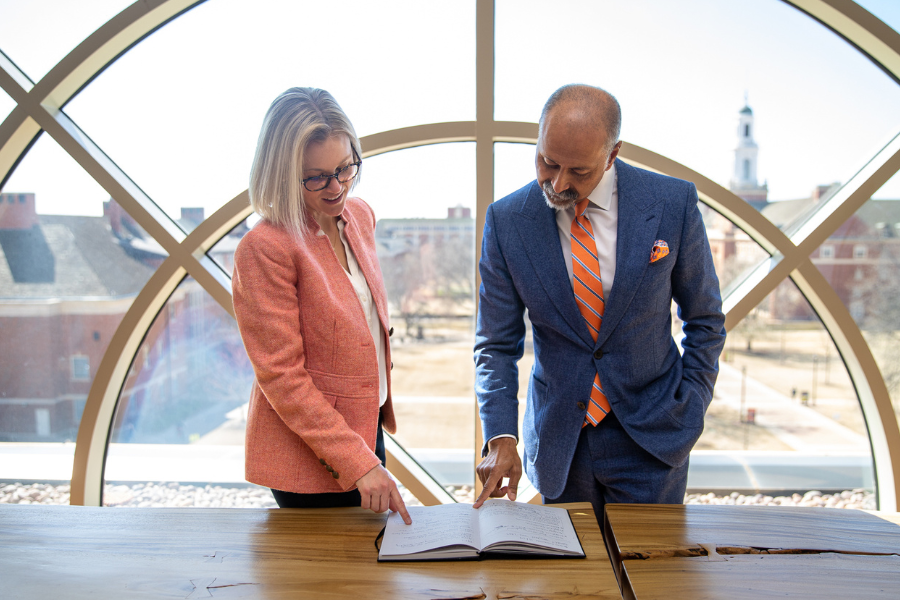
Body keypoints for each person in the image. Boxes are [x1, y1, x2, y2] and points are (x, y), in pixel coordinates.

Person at [473, 84, 726, 522]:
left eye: (579, 171)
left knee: (653, 583)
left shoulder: (672, 203)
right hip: (559, 447)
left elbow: (705, 319)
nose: (558, 183)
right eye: (547, 162)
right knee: (568, 586)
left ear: (612, 154)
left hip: (654, 438)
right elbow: (495, 344)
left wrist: (690, 407)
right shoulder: (507, 220)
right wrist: (501, 435)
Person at [232, 87, 410, 524]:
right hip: (309, 453)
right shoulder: (265, 248)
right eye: (316, 177)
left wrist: (366, 453)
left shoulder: (359, 215)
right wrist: (358, 462)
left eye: (346, 168)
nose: (337, 187)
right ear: (280, 173)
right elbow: (282, 376)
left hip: (365, 427)